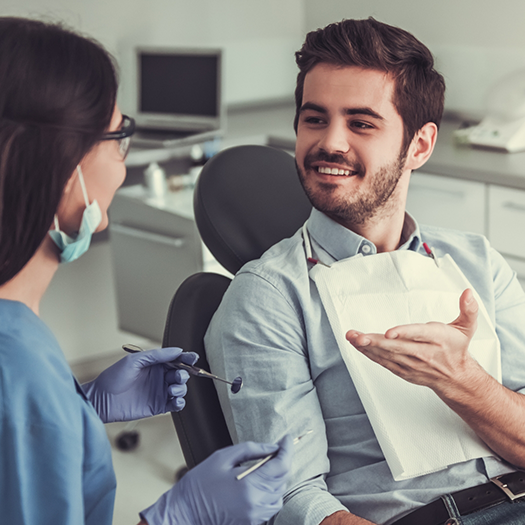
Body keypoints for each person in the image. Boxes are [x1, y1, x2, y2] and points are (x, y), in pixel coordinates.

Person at [205, 17, 525, 525]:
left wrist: (462, 380)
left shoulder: (475, 260)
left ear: (419, 145)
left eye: (361, 123)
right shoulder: (270, 296)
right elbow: (295, 498)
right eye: (314, 119)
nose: (330, 143)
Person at [0, 17, 292, 525]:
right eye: (120, 136)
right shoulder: (17, 371)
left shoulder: (20, 347)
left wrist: (82, 409)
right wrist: (174, 517)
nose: (122, 161)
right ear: (67, 168)